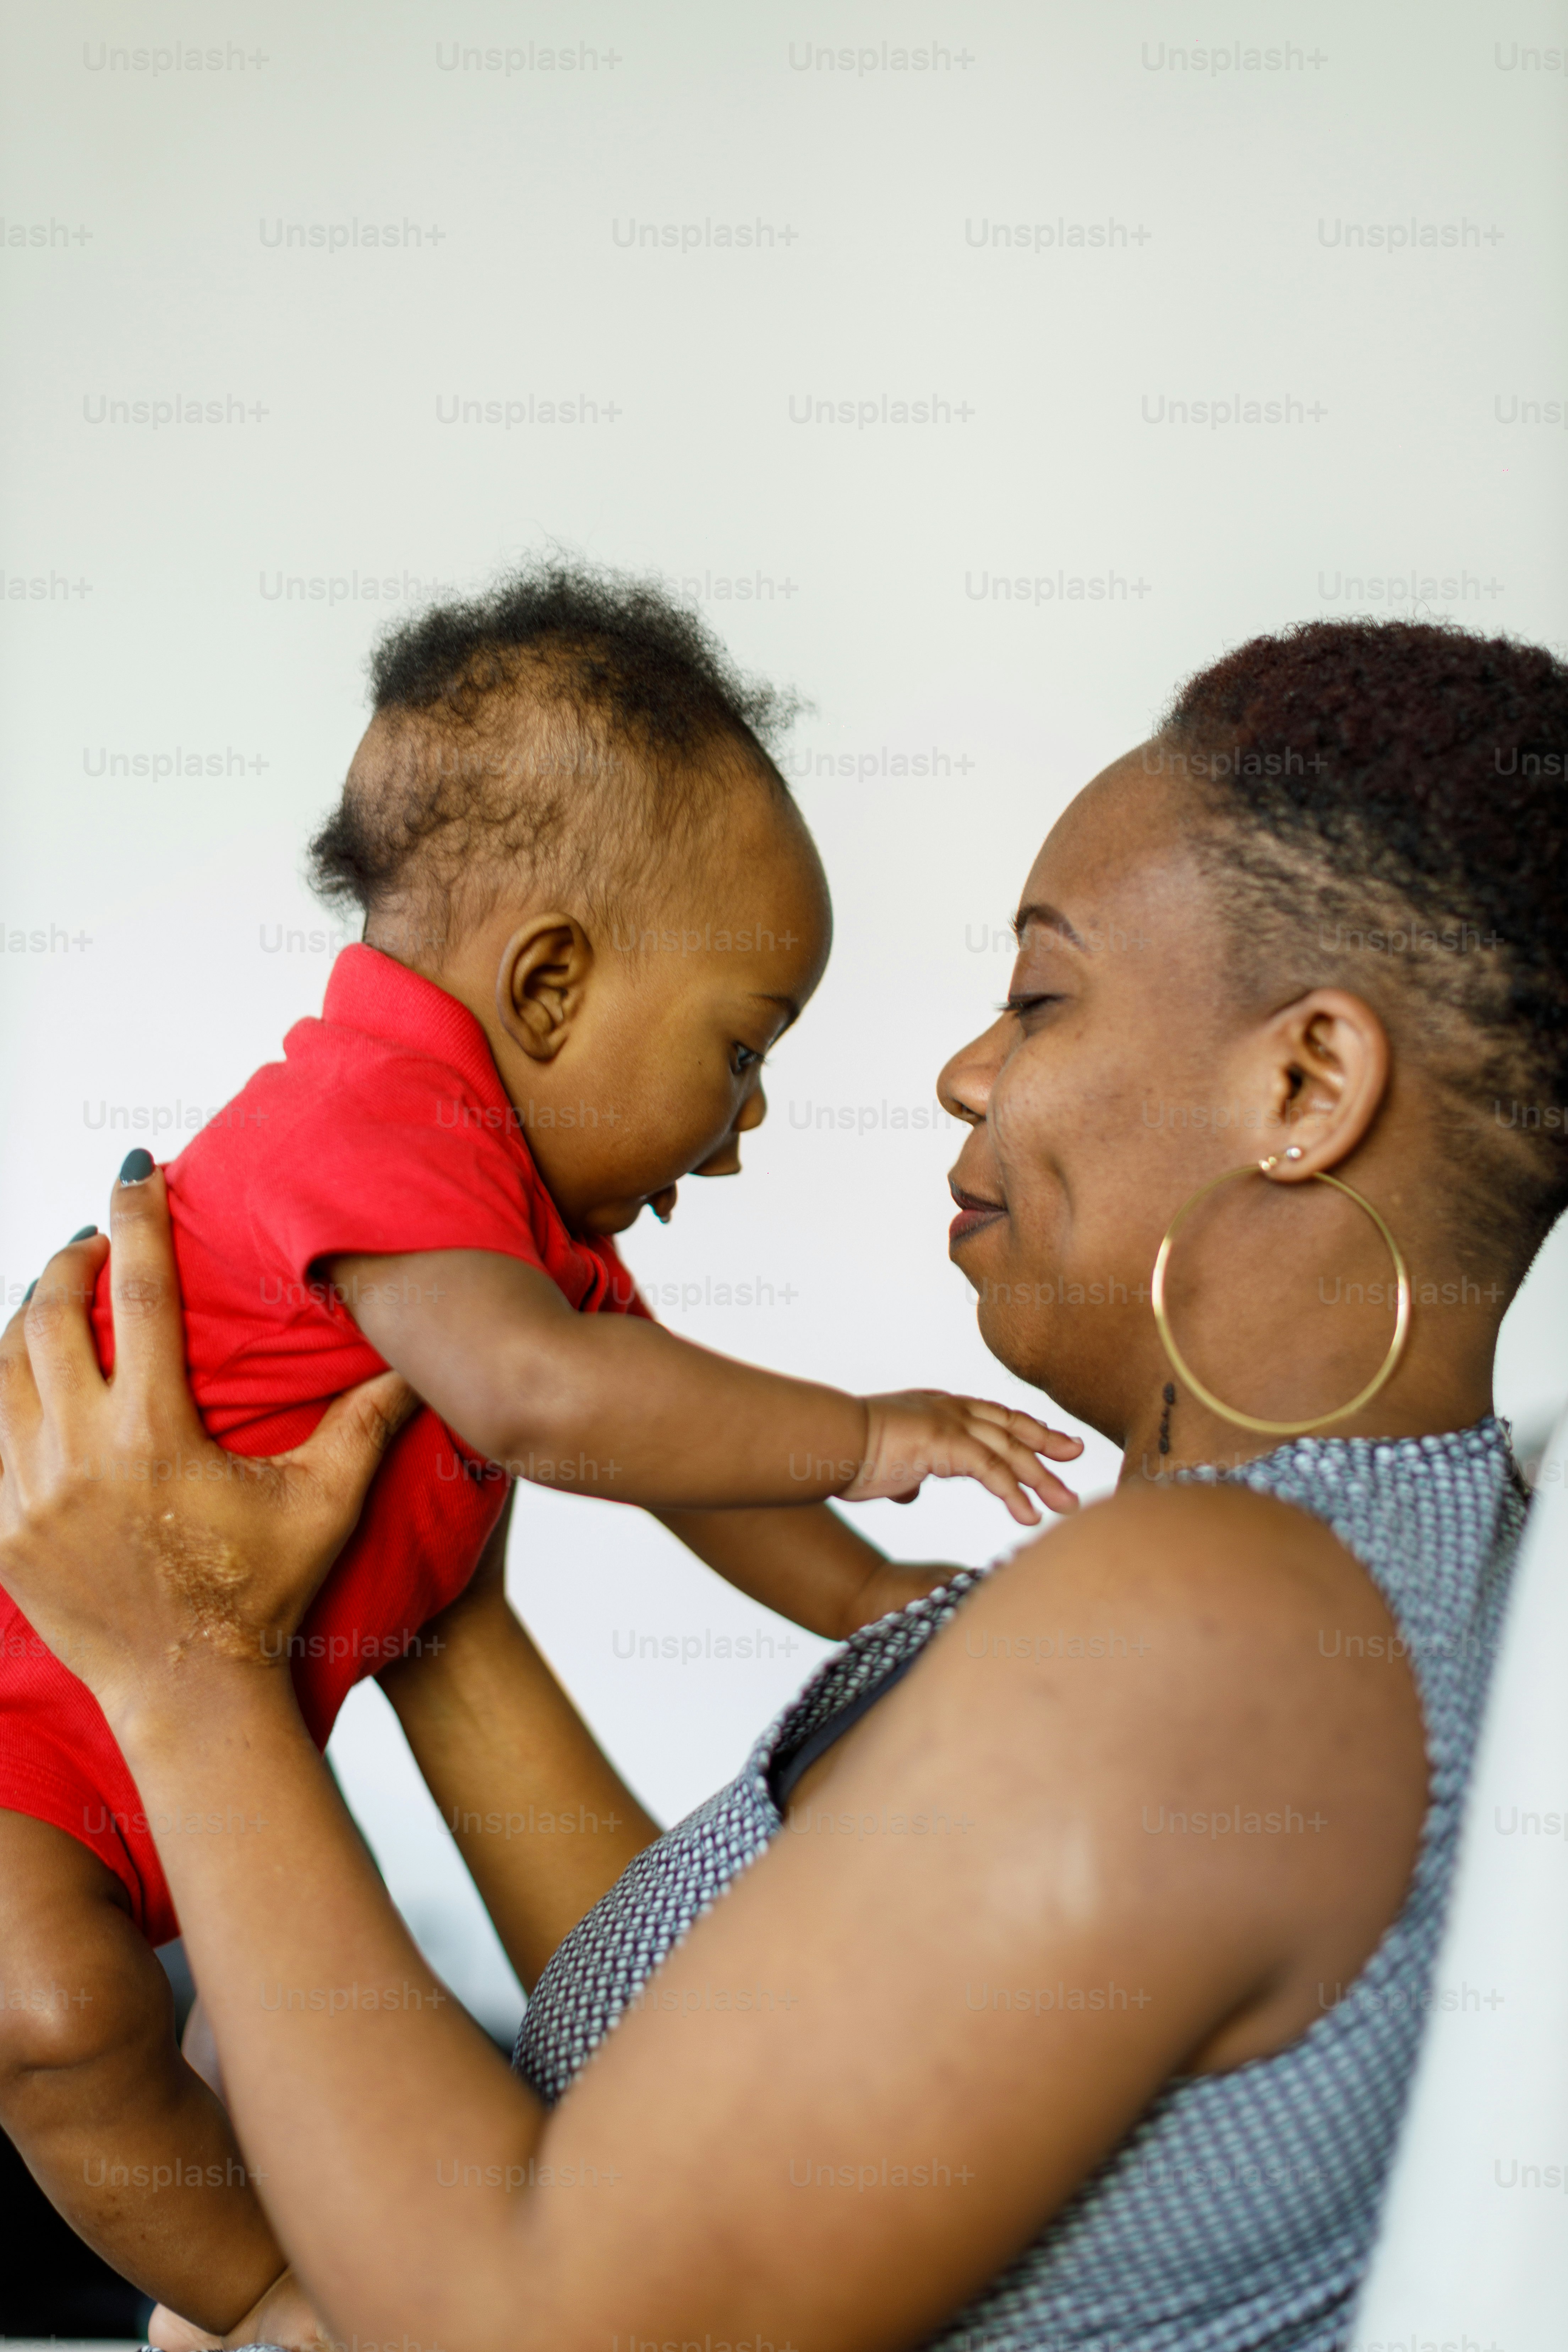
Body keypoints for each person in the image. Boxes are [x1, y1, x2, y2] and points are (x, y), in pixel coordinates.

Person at [1, 614, 1562, 2352]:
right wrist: (435, 1601)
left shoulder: (1223, 1632)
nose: (966, 1070)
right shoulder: (1305, 1578)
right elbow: (696, 2052)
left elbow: (537, 2327)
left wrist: (187, 1673)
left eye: (1039, 995)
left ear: (1305, 1081)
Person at [0, 566, 1078, 2334]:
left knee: (226, 2034)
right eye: (739, 1051)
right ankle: (270, 2300)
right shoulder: (375, 1122)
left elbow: (677, 1454)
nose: (739, 1134)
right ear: (554, 983)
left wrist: (875, 1597)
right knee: (55, 2022)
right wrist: (875, 1430)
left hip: (178, 1728)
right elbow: (553, 1409)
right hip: (36, 1729)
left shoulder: (504, 1224)